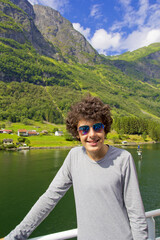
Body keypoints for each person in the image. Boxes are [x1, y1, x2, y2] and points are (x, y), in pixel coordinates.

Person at [0, 95, 148, 240]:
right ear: (77, 133)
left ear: (105, 129)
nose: (92, 135)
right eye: (84, 129)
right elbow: (50, 198)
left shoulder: (123, 158)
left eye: (97, 127)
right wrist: (15, 236)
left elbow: (136, 213)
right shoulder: (74, 157)